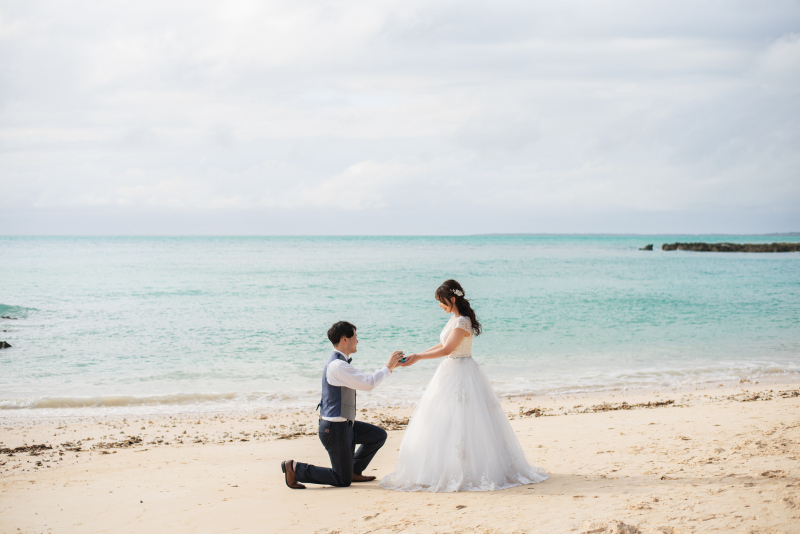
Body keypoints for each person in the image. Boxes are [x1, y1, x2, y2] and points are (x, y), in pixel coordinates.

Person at [379, 279, 549, 492]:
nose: (439, 305)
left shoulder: (462, 322)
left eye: (441, 301)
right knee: (446, 419)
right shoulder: (454, 320)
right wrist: (417, 354)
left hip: (461, 371)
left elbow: (447, 350)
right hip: (450, 370)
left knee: (465, 419)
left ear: (452, 299)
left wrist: (419, 357)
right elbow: (442, 344)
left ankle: (468, 469)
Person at [281, 321, 404, 489]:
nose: (357, 341)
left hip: (345, 425)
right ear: (345, 339)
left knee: (377, 436)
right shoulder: (338, 365)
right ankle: (295, 468)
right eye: (355, 337)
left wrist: (390, 368)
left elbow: (365, 379)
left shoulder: (342, 363)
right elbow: (368, 383)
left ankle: (353, 470)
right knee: (341, 480)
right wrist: (388, 366)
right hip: (335, 429)